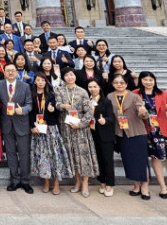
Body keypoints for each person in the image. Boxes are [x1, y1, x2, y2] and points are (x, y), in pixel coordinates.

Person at [135, 71, 167, 201]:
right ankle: (163, 187)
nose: (148, 82)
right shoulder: (136, 94)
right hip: (148, 131)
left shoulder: (163, 93)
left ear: (154, 81)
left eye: (151, 80)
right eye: (145, 80)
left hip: (165, 129)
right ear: (141, 81)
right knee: (155, 159)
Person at [54, 67, 98, 198]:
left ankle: (85, 183)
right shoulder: (59, 90)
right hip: (66, 129)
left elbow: (88, 112)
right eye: (66, 75)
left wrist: (80, 124)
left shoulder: (82, 91)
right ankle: (77, 182)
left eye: (71, 75)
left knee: (83, 157)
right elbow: (56, 104)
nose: (69, 77)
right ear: (63, 77)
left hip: (80, 130)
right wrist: (62, 106)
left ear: (75, 76)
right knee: (72, 157)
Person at [109, 74, 150, 199]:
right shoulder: (110, 97)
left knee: (141, 161)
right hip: (121, 133)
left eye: (122, 82)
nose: (119, 84)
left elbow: (142, 112)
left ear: (126, 84)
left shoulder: (134, 96)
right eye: (116, 82)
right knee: (129, 161)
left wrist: (143, 112)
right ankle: (136, 185)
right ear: (112, 84)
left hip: (136, 131)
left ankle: (145, 187)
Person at [30, 72, 72, 195]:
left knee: (55, 156)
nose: (41, 82)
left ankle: (56, 183)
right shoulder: (31, 95)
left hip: (51, 129)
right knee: (43, 157)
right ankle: (46, 181)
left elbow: (58, 111)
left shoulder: (52, 95)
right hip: (38, 129)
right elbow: (30, 113)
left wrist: (52, 111)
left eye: (43, 80)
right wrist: (32, 126)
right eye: (38, 80)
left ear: (46, 82)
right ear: (35, 81)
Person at [0, 64, 33, 194]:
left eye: (13, 70)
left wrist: (22, 110)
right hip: (6, 124)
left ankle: (25, 181)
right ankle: (15, 180)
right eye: (8, 71)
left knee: (24, 153)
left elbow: (29, 104)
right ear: (4, 72)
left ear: (17, 72)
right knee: (10, 153)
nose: (10, 73)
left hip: (22, 123)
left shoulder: (25, 86)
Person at [87, 79, 115, 197]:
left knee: (107, 160)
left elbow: (111, 118)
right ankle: (102, 182)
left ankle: (109, 184)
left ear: (99, 88)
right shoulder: (88, 101)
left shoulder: (106, 101)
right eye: (90, 87)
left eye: (95, 86)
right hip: (93, 134)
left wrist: (105, 120)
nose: (92, 89)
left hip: (105, 135)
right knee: (98, 159)